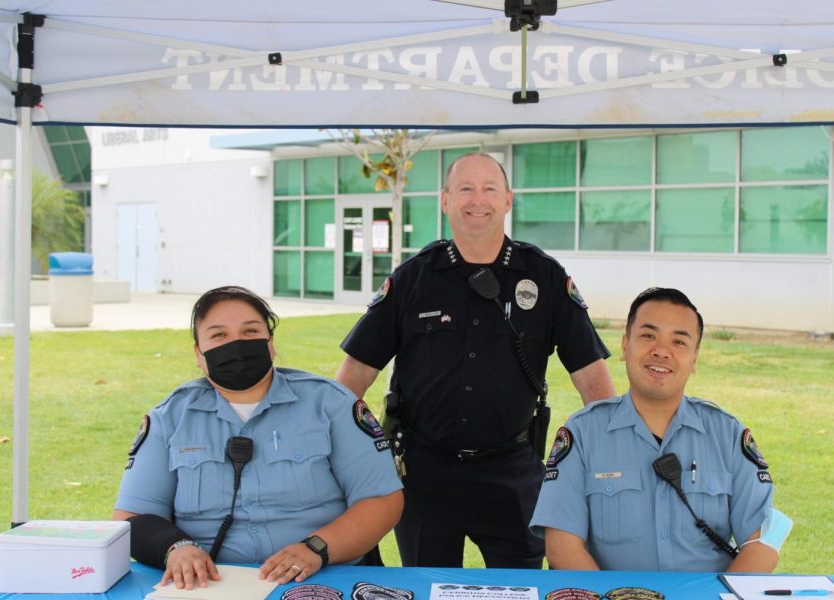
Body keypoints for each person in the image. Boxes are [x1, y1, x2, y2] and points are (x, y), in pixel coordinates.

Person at [336, 152, 615, 569]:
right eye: (465, 189)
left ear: (507, 200)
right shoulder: (414, 277)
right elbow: (353, 377)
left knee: (518, 592)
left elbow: (592, 379)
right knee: (426, 589)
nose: (476, 199)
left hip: (511, 472)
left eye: (489, 189)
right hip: (425, 474)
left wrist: (613, 458)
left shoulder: (545, 278)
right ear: (445, 200)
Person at [113, 286, 403, 590]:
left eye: (250, 331)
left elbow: (381, 499)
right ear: (198, 354)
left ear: (270, 343)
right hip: (209, 586)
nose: (236, 345)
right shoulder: (169, 418)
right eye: (219, 336)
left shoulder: (331, 404)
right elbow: (133, 517)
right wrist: (176, 548)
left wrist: (317, 548)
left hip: (321, 577)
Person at [530, 287, 792, 572]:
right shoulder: (582, 434)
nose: (661, 351)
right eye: (648, 336)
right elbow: (562, 547)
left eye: (679, 342)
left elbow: (761, 545)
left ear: (694, 359)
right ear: (625, 346)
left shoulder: (727, 435)